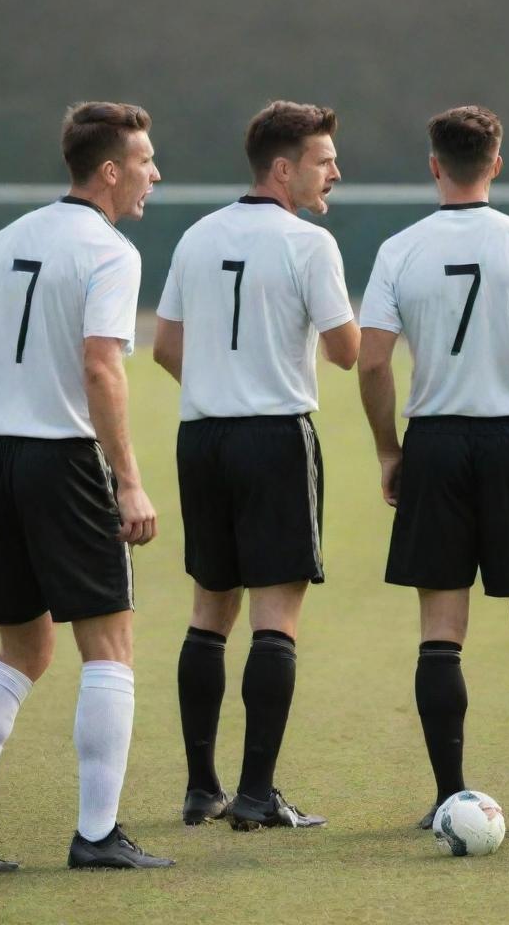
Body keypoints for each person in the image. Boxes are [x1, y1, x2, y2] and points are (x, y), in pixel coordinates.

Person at [0, 101, 173, 872]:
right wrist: (128, 482)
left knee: (23, 648)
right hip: (63, 463)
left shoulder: (8, 239)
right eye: (144, 161)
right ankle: (97, 835)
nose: (153, 174)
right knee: (111, 647)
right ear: (109, 170)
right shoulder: (109, 252)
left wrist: (0, 425)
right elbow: (102, 367)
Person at [357, 104, 509, 831]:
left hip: (434, 443)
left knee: (441, 625)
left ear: (434, 165)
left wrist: (390, 450)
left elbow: (371, 361)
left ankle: (448, 796)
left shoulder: (400, 249)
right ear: (496, 161)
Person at [154, 100, 358, 829]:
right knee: (276, 615)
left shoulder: (197, 236)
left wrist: (221, 384)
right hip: (274, 438)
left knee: (210, 610)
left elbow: (165, 347)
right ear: (284, 168)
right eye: (323, 159)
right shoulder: (309, 245)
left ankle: (201, 788)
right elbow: (345, 351)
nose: (335, 171)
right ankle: (254, 795)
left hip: (202, 438)